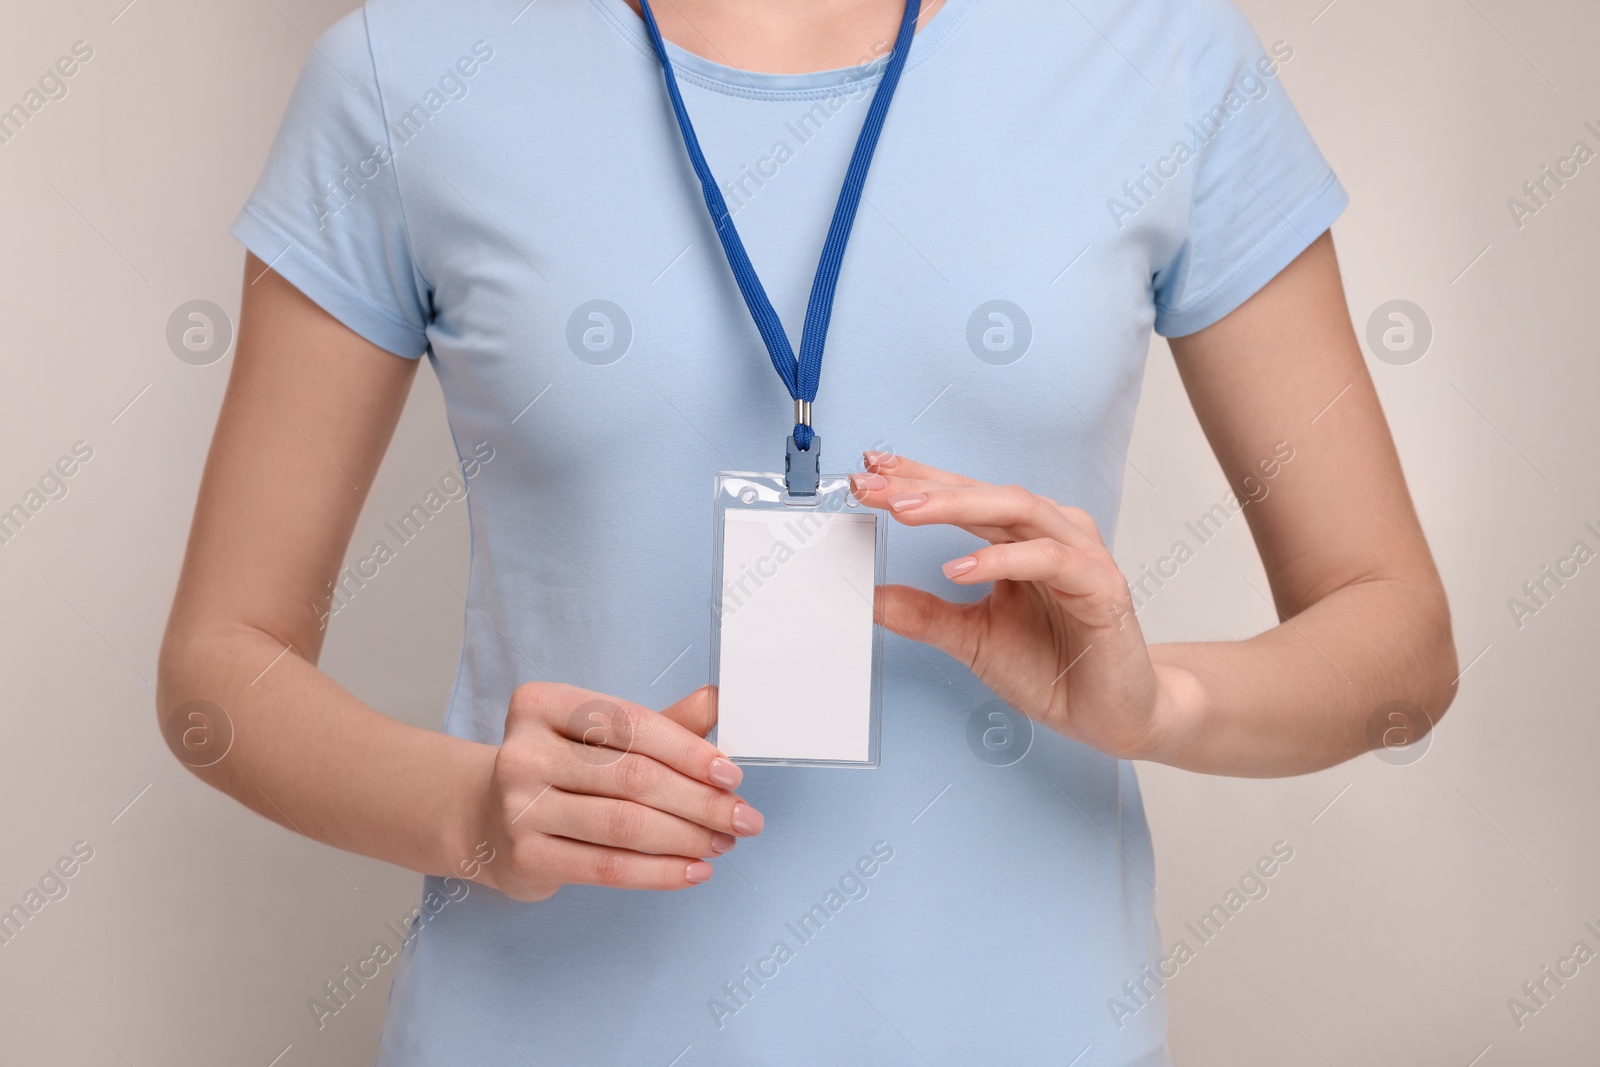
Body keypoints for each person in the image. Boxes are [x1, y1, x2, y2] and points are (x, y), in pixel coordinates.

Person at [158, 0, 1456, 1063]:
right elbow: (220, 663)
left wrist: (1154, 701)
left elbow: (1396, 641)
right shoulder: (406, 68)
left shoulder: (1163, 54)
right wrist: (471, 812)